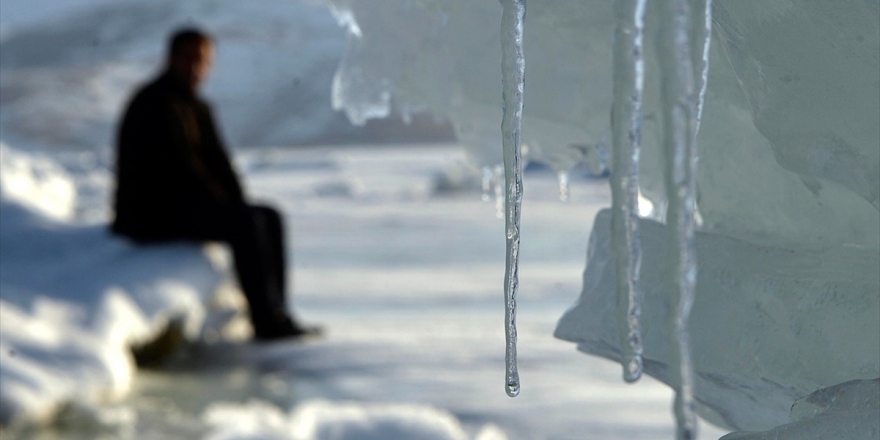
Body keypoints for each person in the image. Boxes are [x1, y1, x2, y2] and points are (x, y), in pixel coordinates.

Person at [111, 28, 319, 341]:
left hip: (185, 206)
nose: (195, 67)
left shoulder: (197, 106)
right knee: (246, 222)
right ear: (171, 59)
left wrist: (235, 199)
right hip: (149, 214)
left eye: (202, 61)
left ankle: (278, 313)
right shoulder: (153, 102)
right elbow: (179, 168)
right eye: (189, 59)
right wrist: (226, 205)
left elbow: (220, 164)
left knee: (268, 216)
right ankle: (265, 322)